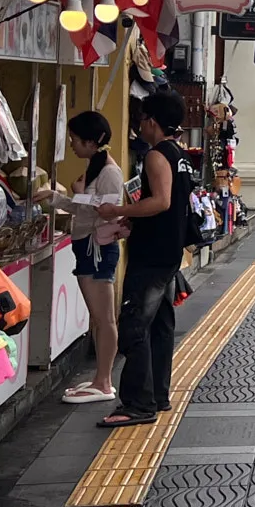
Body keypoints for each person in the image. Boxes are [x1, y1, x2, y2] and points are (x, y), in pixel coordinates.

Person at [98, 91, 190, 429]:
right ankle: (158, 394)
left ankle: (138, 403)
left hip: (152, 255)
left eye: (142, 119)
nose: (139, 125)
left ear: (151, 121)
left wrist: (118, 210)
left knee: (134, 327)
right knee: (160, 325)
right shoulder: (178, 154)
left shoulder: (156, 155)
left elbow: (162, 201)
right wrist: (133, 222)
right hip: (168, 250)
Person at [33, 111, 127, 405]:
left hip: (96, 248)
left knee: (104, 318)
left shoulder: (109, 172)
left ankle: (104, 381)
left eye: (74, 139)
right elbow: (88, 207)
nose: (71, 145)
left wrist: (68, 196)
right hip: (88, 246)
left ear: (90, 141)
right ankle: (101, 378)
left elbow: (103, 209)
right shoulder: (97, 168)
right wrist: (59, 198)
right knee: (98, 318)